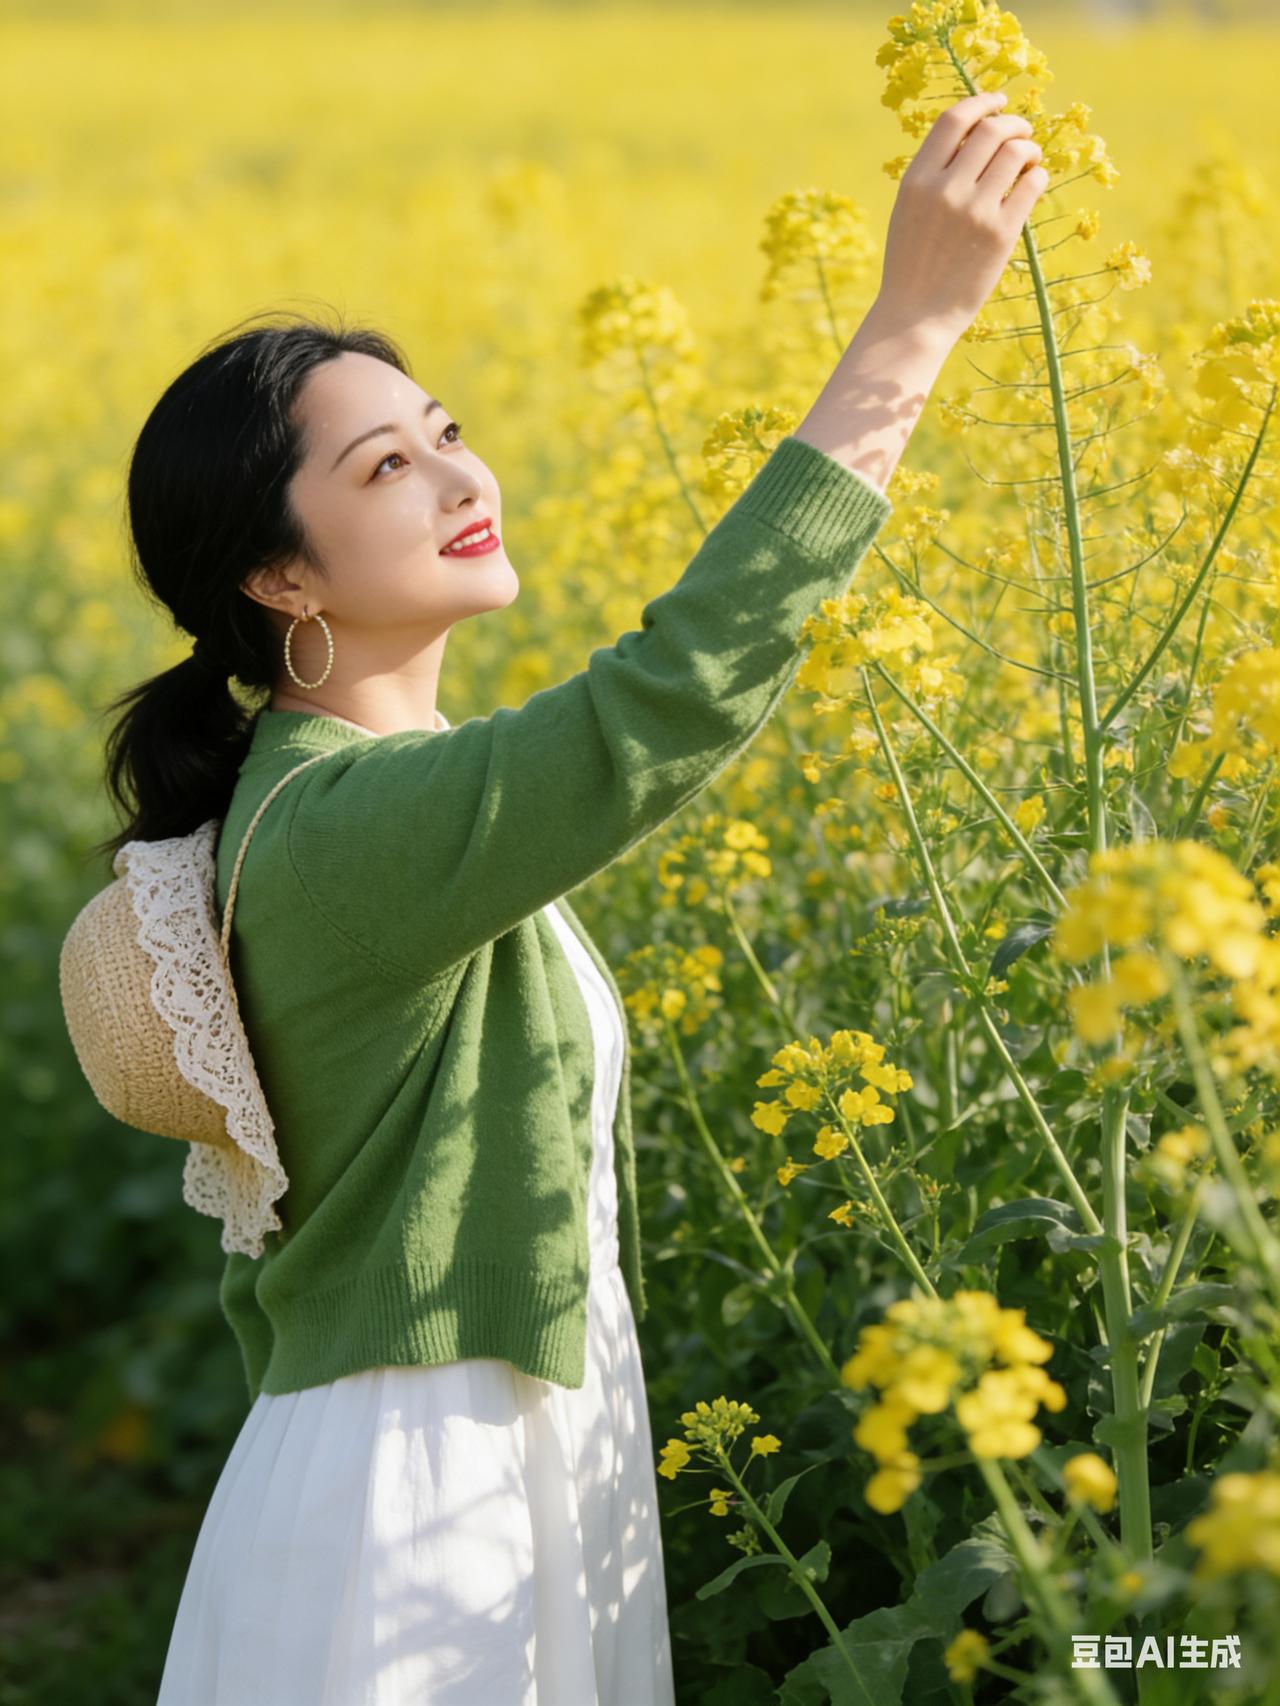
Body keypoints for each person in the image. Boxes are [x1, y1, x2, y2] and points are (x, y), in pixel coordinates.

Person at [96, 89, 1045, 1706]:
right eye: (387, 465)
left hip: (494, 1449)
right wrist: (914, 321)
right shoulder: (342, 829)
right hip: (416, 1504)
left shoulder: (357, 805)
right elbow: (667, 701)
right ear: (282, 579)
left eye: (446, 430)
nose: (459, 475)